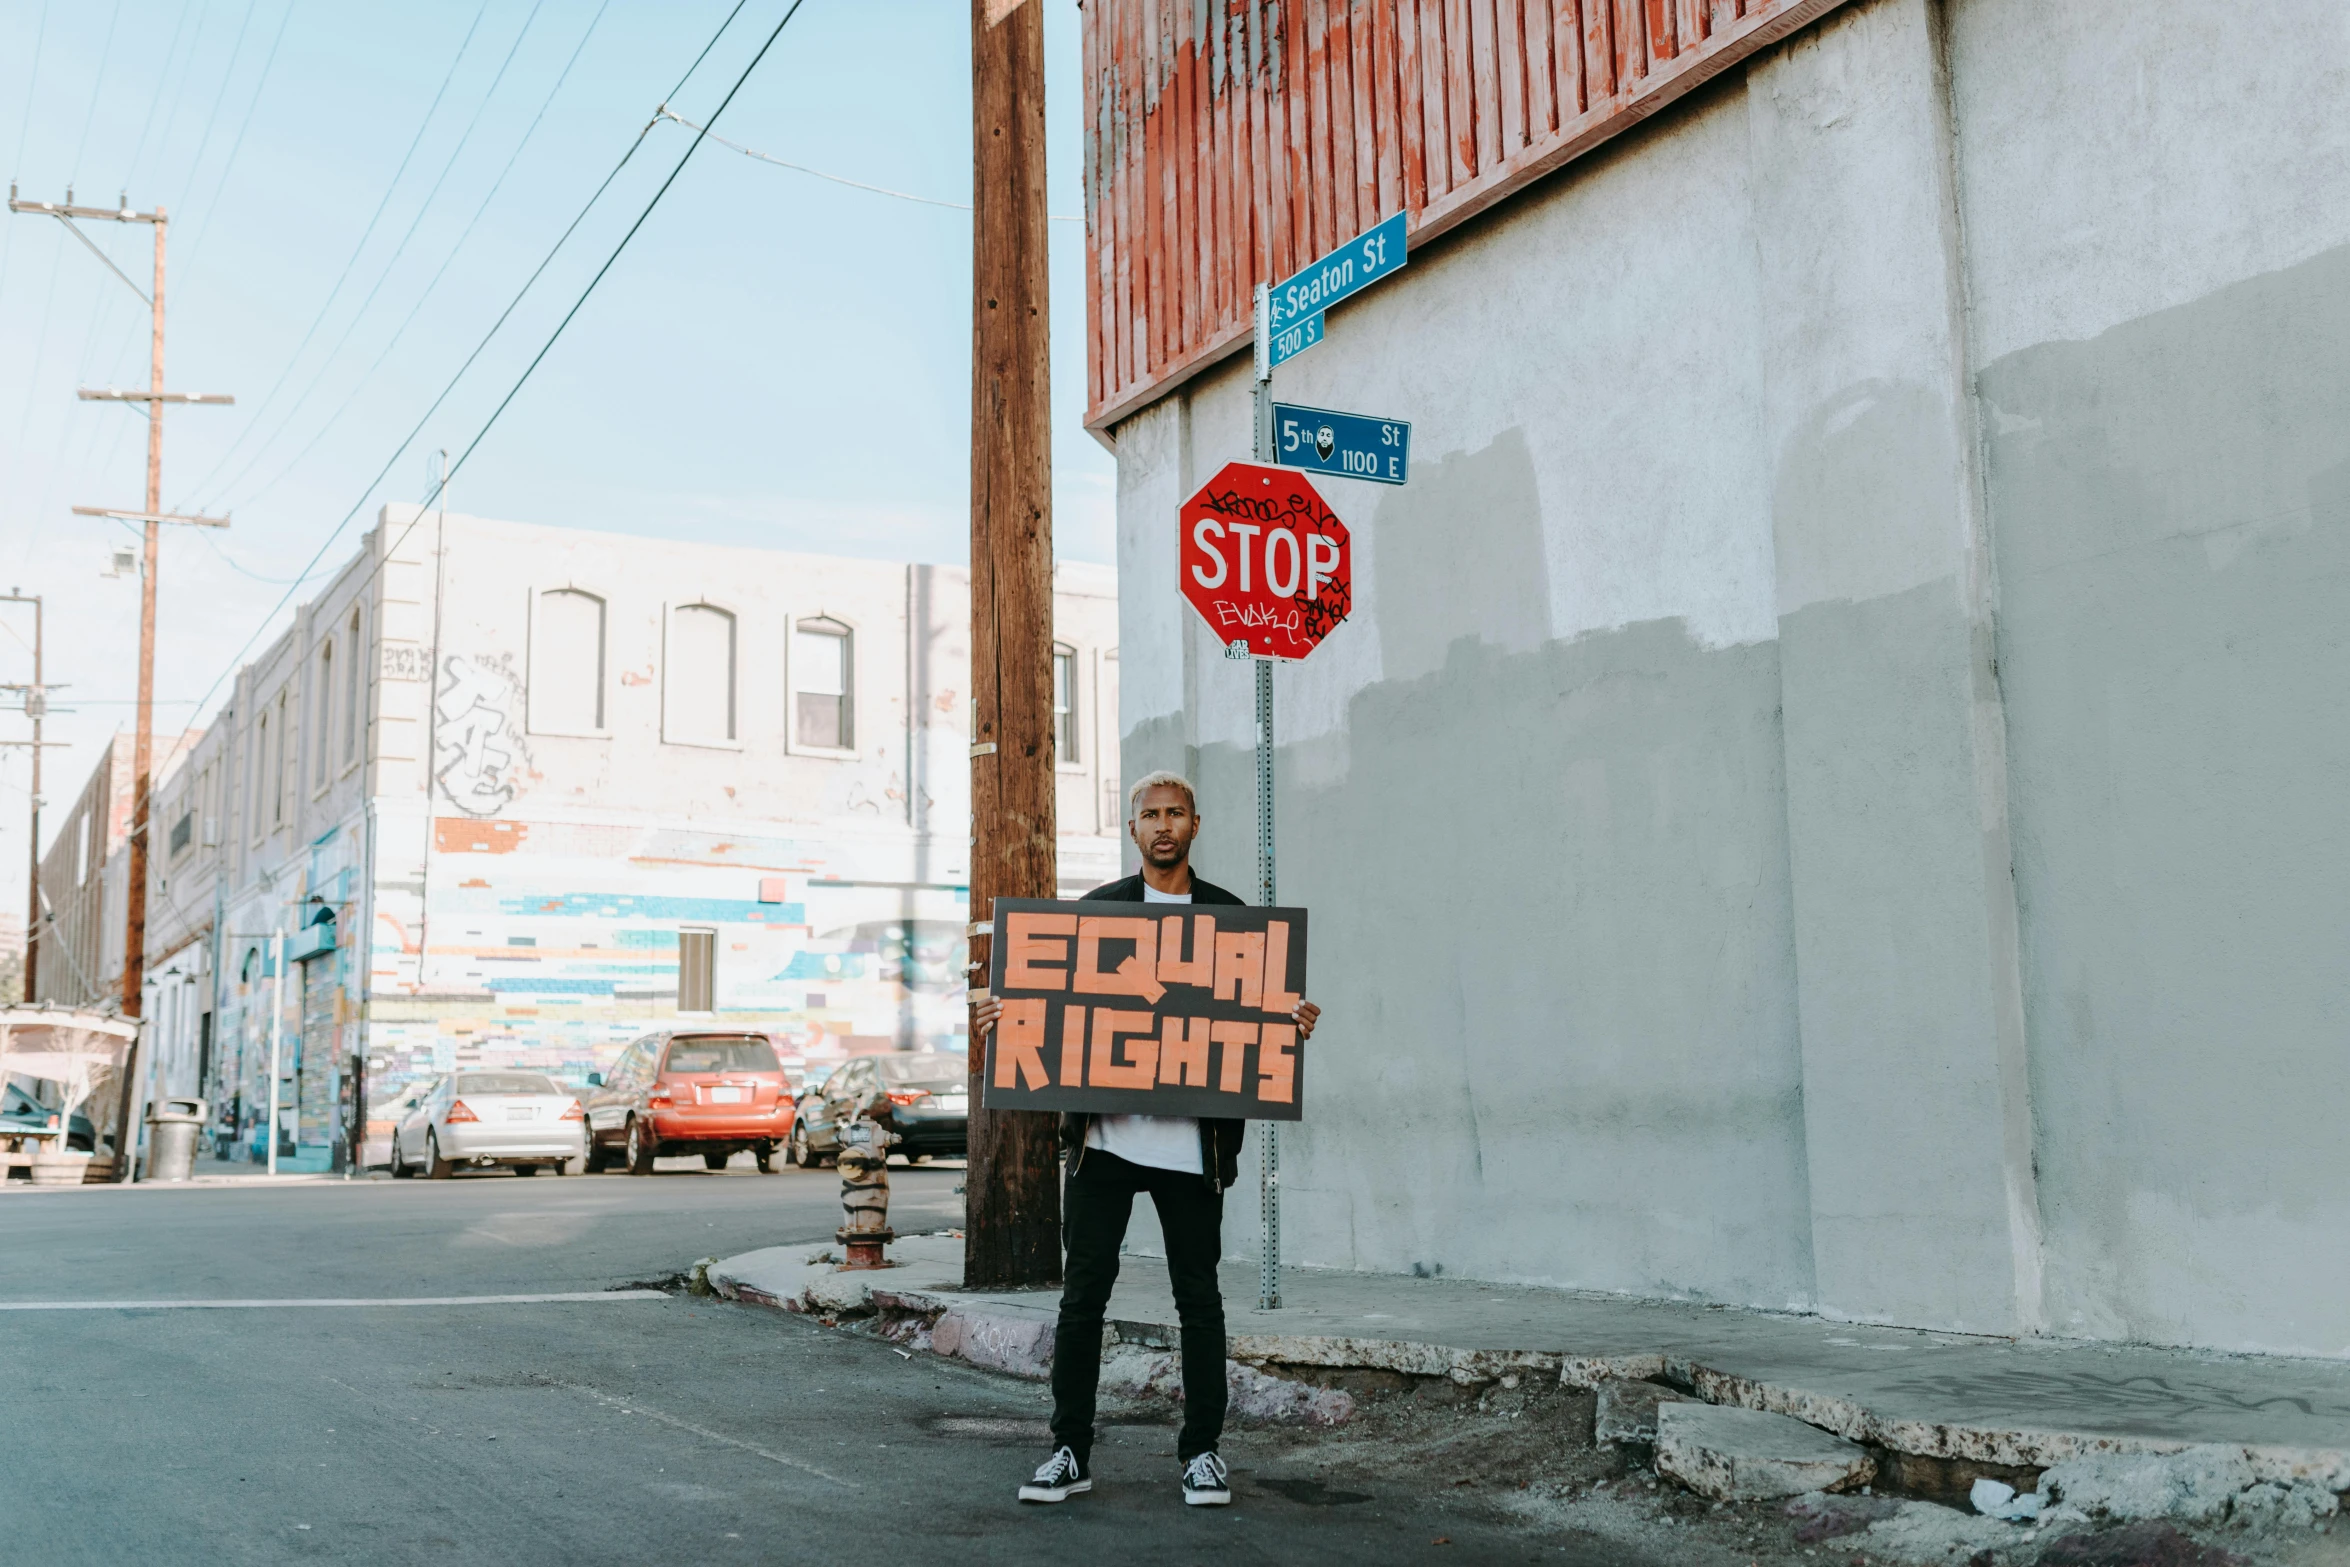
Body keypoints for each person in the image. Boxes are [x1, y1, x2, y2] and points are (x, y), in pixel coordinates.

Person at [973, 770, 1319, 1509]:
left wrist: (1287, 1029)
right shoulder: (1096, 915)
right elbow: (1050, 1006)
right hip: (1104, 1144)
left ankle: (1202, 1453)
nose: (1163, 824)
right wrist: (1011, 1020)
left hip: (1193, 1152)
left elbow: (1253, 1026)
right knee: (1082, 1300)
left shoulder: (1232, 921)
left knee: (1199, 1300)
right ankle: (1069, 1448)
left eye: (1176, 813)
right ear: (1133, 829)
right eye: (1150, 814)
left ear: (1196, 823)